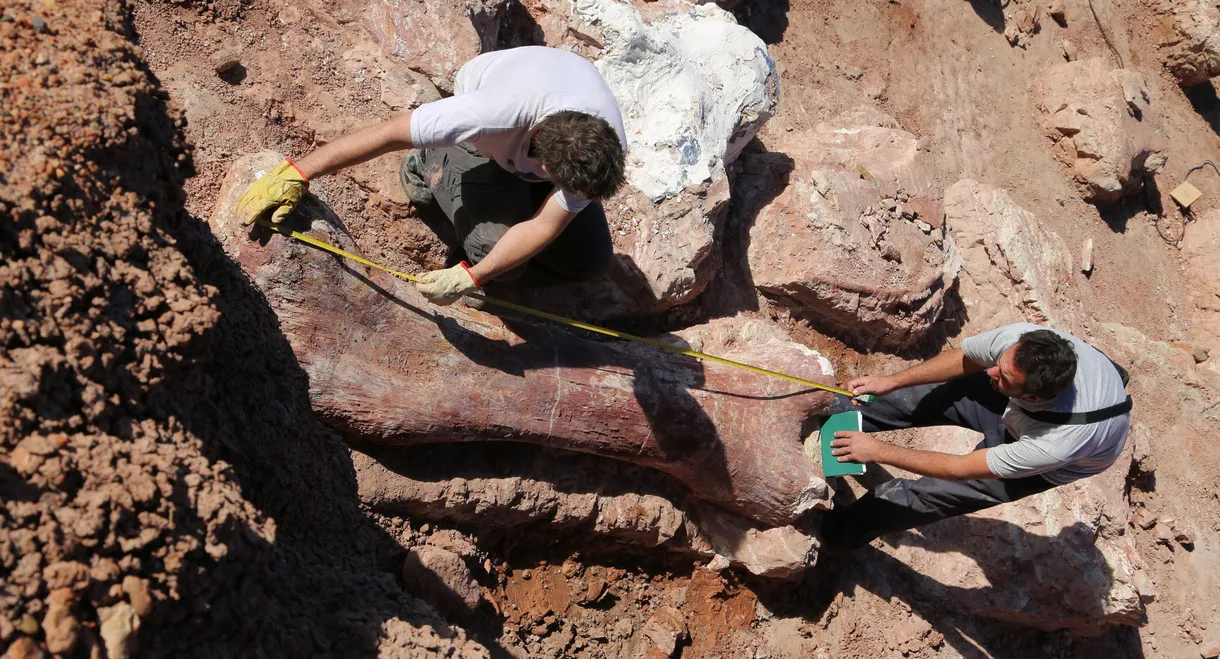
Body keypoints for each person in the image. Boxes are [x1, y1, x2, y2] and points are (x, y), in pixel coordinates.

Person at [235, 46, 627, 305]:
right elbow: (388, 134)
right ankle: (428, 167)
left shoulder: (599, 149)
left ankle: (487, 263)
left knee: (589, 261)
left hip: (542, 137)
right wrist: (297, 173)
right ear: (542, 155)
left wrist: (472, 278)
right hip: (487, 134)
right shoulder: (486, 116)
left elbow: (546, 224)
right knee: (498, 252)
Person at [820, 323, 1132, 550]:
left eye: (1003, 376)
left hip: (1051, 445)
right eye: (999, 364)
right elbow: (966, 358)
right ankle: (829, 412)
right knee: (927, 396)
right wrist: (892, 381)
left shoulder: (1056, 445)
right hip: (1028, 403)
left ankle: (832, 533)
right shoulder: (1019, 345)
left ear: (1033, 397)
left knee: (931, 494)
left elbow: (959, 469)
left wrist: (877, 451)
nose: (990, 373)